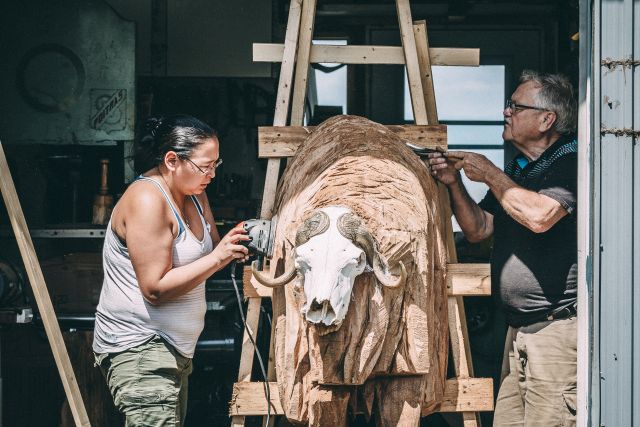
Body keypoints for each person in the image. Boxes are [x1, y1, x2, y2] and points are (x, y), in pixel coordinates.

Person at [427, 70, 578, 426]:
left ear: (546, 119)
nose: (506, 112)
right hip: (520, 330)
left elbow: (541, 216)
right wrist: (455, 183)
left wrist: (492, 174)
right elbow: (480, 229)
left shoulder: (571, 161)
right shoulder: (523, 168)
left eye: (515, 106)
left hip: (555, 331)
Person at [92, 114, 249, 426]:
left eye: (216, 164)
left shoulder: (195, 192)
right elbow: (154, 288)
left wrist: (240, 241)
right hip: (141, 347)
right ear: (172, 160)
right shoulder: (147, 199)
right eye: (206, 166)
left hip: (175, 350)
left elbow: (213, 249)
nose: (213, 174)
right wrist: (220, 257)